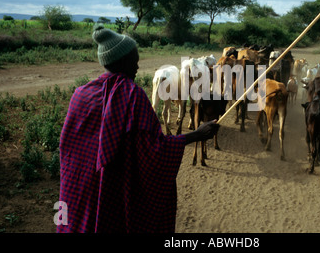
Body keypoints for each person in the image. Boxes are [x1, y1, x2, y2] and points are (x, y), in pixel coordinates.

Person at [56, 25, 219, 233]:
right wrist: (196, 135)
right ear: (122, 61)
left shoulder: (80, 94)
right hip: (112, 190)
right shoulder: (132, 95)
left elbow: (67, 147)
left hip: (79, 188)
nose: (137, 66)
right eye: (135, 60)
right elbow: (154, 150)